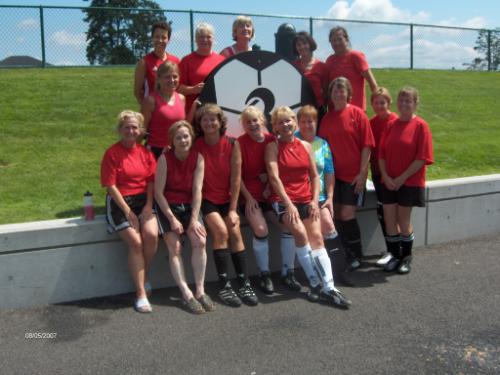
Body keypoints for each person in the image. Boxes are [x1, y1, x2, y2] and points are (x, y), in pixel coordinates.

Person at [266, 106, 351, 308]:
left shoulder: (305, 146)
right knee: (301, 236)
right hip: (283, 201)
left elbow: (314, 176)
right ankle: (314, 283)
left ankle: (329, 287)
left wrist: (314, 201)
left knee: (318, 239)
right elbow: (274, 178)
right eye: (280, 122)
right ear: (275, 126)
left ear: (294, 123)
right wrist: (288, 204)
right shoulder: (273, 147)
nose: (285, 124)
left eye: (289, 120)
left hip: (306, 200)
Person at [193, 103, 258, 307]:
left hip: (228, 200)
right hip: (207, 200)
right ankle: (224, 286)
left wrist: (232, 209)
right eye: (205, 119)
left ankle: (244, 283)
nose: (209, 123)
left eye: (213, 119)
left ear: (220, 122)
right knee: (221, 232)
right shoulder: (197, 145)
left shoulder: (232, 143)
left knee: (235, 231)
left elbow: (236, 178)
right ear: (200, 123)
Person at [154, 120, 215, 314]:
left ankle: (200, 290)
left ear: (191, 137)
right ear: (172, 140)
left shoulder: (198, 158)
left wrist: (195, 219)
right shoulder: (165, 158)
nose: (183, 140)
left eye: (186, 136)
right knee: (176, 247)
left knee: (200, 241)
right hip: (168, 206)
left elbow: (198, 191)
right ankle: (186, 292)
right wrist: (171, 218)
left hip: (189, 206)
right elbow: (158, 193)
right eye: (178, 137)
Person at [100, 110, 158, 313]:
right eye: (127, 127)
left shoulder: (146, 153)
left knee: (151, 235)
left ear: (140, 130)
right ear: (120, 130)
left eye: (135, 127)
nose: (131, 131)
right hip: (120, 203)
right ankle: (141, 293)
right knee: (136, 242)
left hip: (143, 201)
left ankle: (143, 275)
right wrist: (128, 212)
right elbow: (110, 185)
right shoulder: (112, 153)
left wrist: (149, 205)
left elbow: (151, 181)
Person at [318, 77, 375, 274]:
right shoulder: (326, 119)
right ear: (331, 95)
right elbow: (321, 149)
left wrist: (362, 174)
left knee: (347, 215)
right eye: (335, 91)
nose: (338, 94)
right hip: (334, 178)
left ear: (348, 94)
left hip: (353, 177)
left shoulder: (358, 114)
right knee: (337, 216)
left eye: (342, 91)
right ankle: (343, 255)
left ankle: (356, 255)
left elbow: (367, 146)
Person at [379, 87, 433, 274]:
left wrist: (401, 178)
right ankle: (394, 256)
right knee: (389, 220)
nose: (404, 104)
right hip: (389, 181)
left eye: (408, 101)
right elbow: (382, 154)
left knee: (403, 220)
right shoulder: (391, 125)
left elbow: (422, 158)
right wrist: (386, 176)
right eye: (401, 100)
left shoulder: (421, 126)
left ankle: (406, 257)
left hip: (409, 182)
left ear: (415, 103)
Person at [295, 106, 345, 275]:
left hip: (321, 196)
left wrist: (330, 198)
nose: (307, 125)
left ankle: (339, 270)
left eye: (311, 121)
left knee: (329, 227)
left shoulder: (323, 144)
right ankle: (315, 272)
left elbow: (329, 171)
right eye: (303, 121)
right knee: (313, 234)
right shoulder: (292, 141)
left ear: (316, 122)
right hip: (300, 197)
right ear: (297, 123)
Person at [235, 106, 275, 294]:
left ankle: (287, 271)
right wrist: (248, 198)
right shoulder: (239, 143)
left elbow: (276, 170)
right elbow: (237, 177)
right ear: (243, 125)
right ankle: (264, 274)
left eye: (255, 120)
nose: (252, 124)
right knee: (260, 228)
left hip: (270, 193)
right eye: (247, 122)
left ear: (262, 120)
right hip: (249, 195)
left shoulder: (271, 140)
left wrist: (268, 185)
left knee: (287, 225)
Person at [369, 87, 399, 267]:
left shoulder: (395, 121)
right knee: (382, 213)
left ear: (389, 103)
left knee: (391, 214)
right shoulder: (371, 123)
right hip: (377, 173)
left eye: (383, 102)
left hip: (392, 174)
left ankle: (396, 251)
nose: (379, 106)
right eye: (376, 102)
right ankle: (391, 249)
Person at [324, 26, 377, 111]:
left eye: (339, 39)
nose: (337, 43)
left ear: (346, 39)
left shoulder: (356, 56)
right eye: (333, 40)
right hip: (335, 110)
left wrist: (378, 104)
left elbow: (373, 84)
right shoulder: (330, 60)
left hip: (355, 110)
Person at [141, 61, 186, 159]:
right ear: (159, 79)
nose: (172, 80)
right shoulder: (150, 101)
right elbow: (141, 130)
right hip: (155, 152)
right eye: (167, 77)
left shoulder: (181, 98)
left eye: (175, 76)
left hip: (177, 150)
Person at [178, 23, 225, 115]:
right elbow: (177, 88)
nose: (205, 40)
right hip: (193, 113)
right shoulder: (186, 60)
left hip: (216, 114)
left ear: (213, 39)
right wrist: (193, 89)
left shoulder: (221, 60)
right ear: (195, 39)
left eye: (208, 37)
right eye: (201, 37)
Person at [134, 22, 180, 104]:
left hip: (171, 110)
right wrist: (147, 108)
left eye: (164, 37)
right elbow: (137, 92)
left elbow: (178, 88)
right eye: (157, 37)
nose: (160, 40)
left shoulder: (176, 61)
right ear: (152, 38)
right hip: (152, 112)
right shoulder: (144, 62)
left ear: (168, 40)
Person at [292, 32, 326, 113]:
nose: (302, 47)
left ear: (310, 44)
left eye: (304, 43)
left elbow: (326, 91)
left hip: (318, 109)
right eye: (298, 45)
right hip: (298, 109)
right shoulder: (293, 66)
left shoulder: (322, 66)